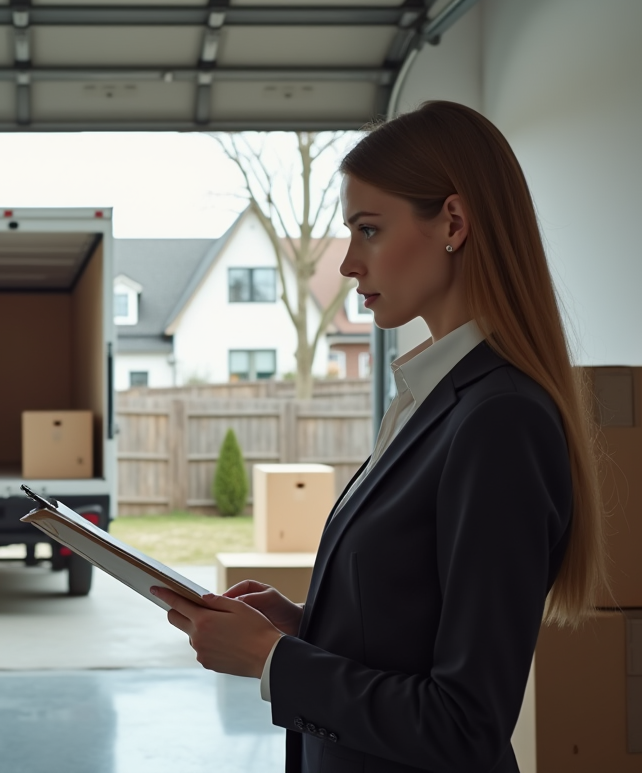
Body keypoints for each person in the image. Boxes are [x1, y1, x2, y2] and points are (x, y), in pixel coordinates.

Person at [152, 101, 607, 773]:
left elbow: (464, 723)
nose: (346, 265)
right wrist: (302, 627)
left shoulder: (499, 421)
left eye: (368, 230)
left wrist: (269, 660)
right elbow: (407, 627)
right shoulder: (432, 401)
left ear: (453, 223)